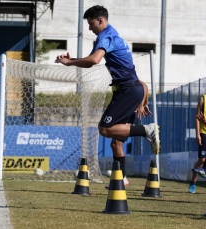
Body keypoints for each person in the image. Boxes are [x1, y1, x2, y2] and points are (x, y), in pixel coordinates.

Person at [55, 5, 160, 189]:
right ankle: (122, 179)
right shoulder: (110, 36)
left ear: (100, 20)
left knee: (104, 128)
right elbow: (91, 61)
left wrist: (70, 63)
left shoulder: (106, 36)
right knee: (115, 143)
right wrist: (71, 61)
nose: (89, 28)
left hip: (127, 91)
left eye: (91, 23)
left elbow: (94, 60)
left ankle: (146, 131)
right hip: (131, 91)